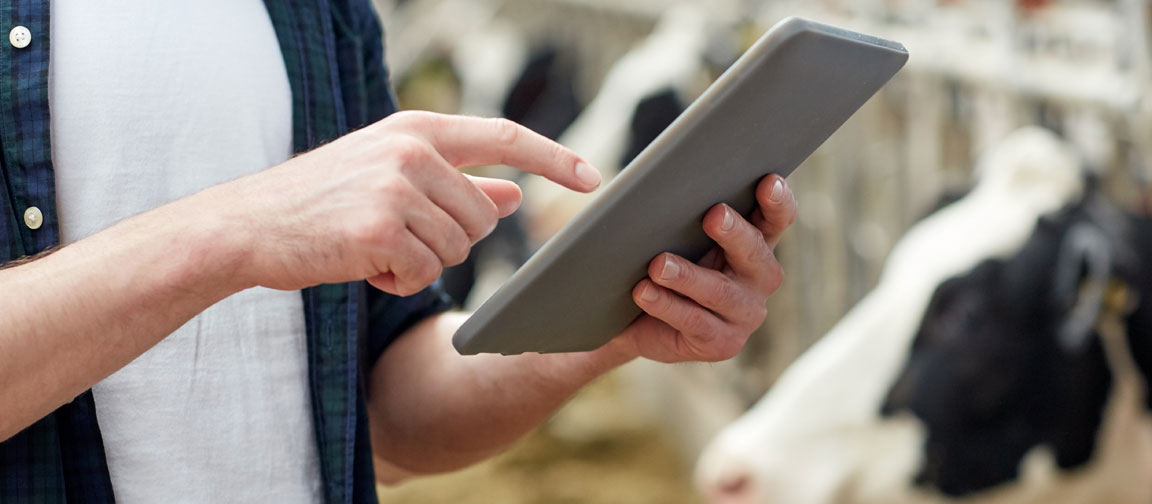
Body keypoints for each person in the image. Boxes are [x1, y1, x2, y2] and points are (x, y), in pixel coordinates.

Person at [0, 1, 797, 503]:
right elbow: (256, 227)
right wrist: (238, 230)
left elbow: (385, 420)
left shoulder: (322, 13)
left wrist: (605, 320)